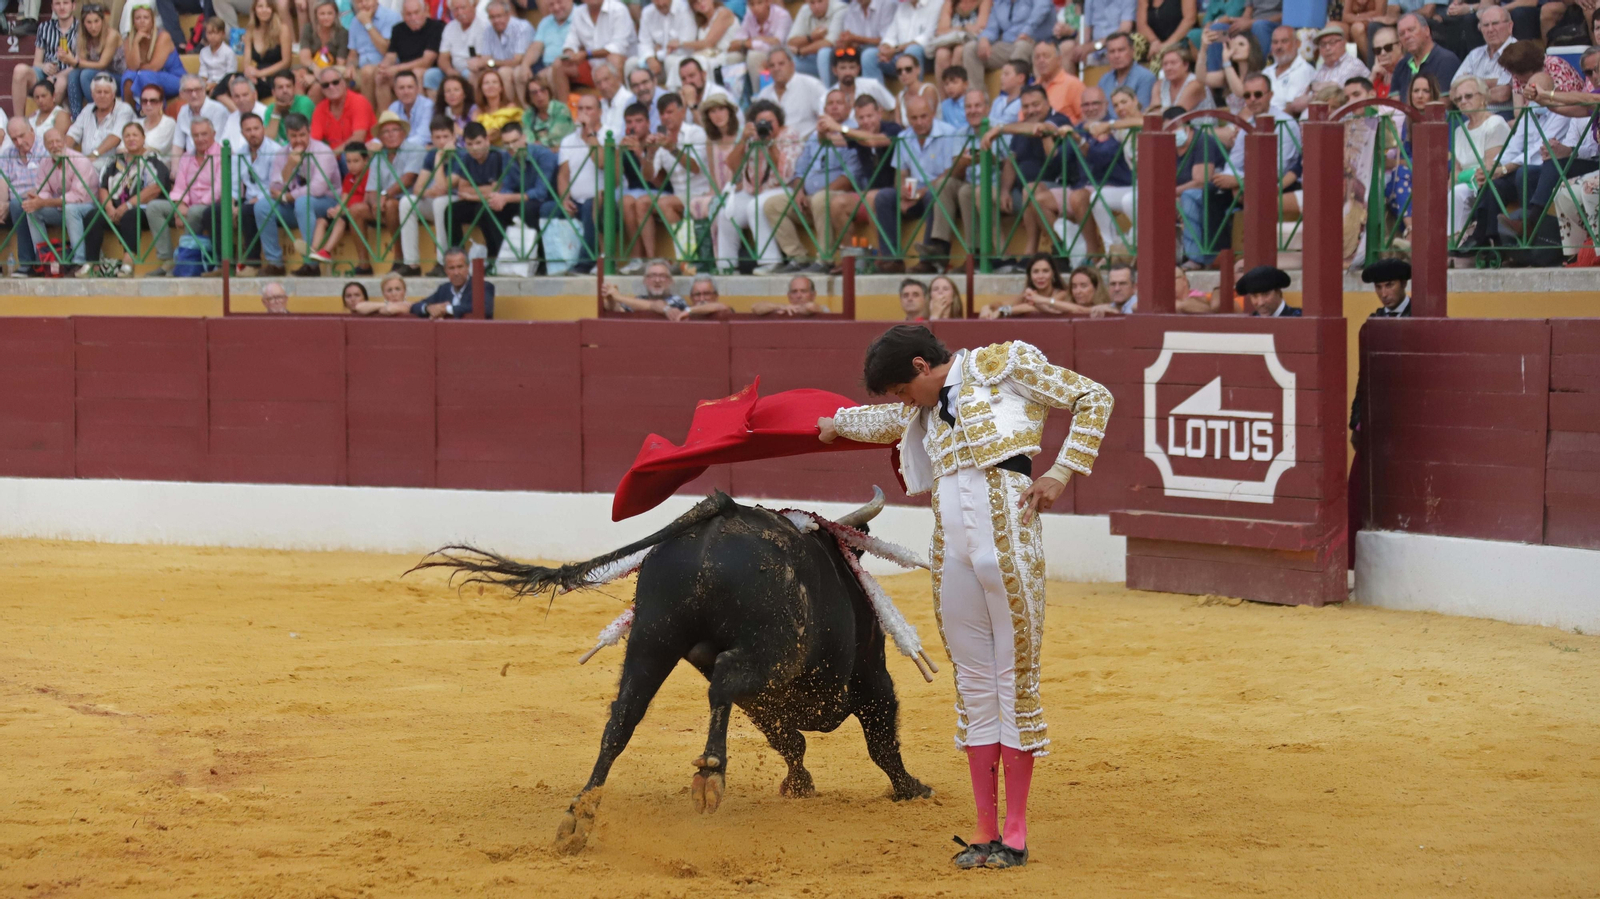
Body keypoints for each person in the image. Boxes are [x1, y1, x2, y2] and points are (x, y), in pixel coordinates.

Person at [817, 325, 1113, 871]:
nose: (905, 403)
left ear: (920, 365)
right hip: (953, 554)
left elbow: (1094, 396)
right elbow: (883, 419)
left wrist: (1062, 472)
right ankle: (983, 829)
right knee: (975, 685)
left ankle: (1016, 832)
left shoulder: (1006, 365)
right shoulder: (922, 411)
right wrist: (834, 424)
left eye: (905, 389)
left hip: (1011, 549)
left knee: (1013, 683)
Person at [715, 98, 802, 274]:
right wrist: (743, 140)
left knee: (757, 206)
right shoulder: (750, 136)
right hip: (752, 190)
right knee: (725, 213)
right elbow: (732, 165)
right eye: (761, 122)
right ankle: (727, 266)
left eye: (770, 122)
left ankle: (770, 262)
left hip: (781, 189)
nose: (766, 126)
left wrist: (770, 144)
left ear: (779, 121)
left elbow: (785, 173)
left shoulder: (788, 135)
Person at [82, 120, 176, 276]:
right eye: (127, 136)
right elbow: (103, 186)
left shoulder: (153, 160)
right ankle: (93, 264)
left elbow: (155, 188)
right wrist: (109, 207)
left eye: (135, 135)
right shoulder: (115, 161)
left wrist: (127, 205)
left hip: (142, 211)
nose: (131, 139)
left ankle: (128, 263)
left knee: (131, 215)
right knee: (92, 216)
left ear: (143, 138)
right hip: (115, 209)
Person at [875, 93, 958, 269]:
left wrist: (921, 192)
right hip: (914, 194)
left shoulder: (948, 133)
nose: (919, 122)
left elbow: (949, 173)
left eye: (923, 116)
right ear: (908, 118)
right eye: (914, 118)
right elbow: (901, 173)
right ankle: (892, 258)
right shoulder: (904, 137)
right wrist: (903, 191)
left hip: (932, 192)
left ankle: (927, 261)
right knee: (884, 197)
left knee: (934, 196)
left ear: (932, 113)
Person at [254, 112, 339, 276]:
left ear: (309, 131)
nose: (298, 140)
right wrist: (289, 166)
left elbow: (318, 188)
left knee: (303, 202)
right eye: (294, 136)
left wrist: (287, 196)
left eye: (302, 135)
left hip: (326, 203)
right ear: (287, 135)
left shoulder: (323, 151)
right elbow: (275, 186)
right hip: (295, 206)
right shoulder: (282, 153)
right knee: (262, 206)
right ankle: (275, 263)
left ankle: (311, 264)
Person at [640, 91, 709, 265]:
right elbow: (648, 176)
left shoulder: (696, 133)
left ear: (682, 111)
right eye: (662, 113)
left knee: (665, 204)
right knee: (641, 203)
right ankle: (652, 261)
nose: (665, 117)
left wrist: (672, 149)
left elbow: (695, 168)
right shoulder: (661, 138)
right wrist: (650, 153)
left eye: (670, 112)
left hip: (702, 193)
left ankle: (685, 259)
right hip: (679, 195)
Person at [22, 127, 97, 275]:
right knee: (32, 211)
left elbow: (77, 197)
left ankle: (78, 260)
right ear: (45, 145)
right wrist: (37, 200)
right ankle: (42, 259)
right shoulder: (45, 163)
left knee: (70, 209)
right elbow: (43, 189)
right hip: (60, 207)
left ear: (65, 142)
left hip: (87, 207)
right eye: (50, 143)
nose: (55, 145)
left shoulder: (80, 160)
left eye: (58, 141)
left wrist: (44, 202)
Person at [1446, 74, 1508, 240]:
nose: (1463, 101)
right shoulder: (1459, 130)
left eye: (1468, 96)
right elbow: (1453, 175)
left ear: (1483, 97)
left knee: (1457, 192)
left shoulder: (1495, 123)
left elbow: (1489, 167)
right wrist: (1466, 176)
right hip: (1469, 184)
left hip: (1490, 185)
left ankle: (1457, 243)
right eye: (1458, 99)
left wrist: (1463, 176)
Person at [364, 109, 425, 276]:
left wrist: (384, 196)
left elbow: (408, 179)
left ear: (403, 133)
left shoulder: (415, 149)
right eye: (385, 132)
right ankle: (364, 264)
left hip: (409, 201)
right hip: (385, 201)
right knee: (355, 211)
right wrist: (375, 202)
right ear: (381, 137)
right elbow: (370, 189)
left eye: (394, 130)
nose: (390, 135)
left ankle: (399, 258)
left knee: (392, 205)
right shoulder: (379, 155)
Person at [554, 93, 606, 273]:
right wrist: (564, 199)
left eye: (589, 109)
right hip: (576, 200)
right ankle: (553, 264)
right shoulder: (568, 140)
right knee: (546, 209)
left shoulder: (608, 135)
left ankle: (586, 262)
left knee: (590, 206)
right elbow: (563, 175)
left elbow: (601, 163)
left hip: (603, 200)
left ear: (599, 112)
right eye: (580, 108)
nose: (583, 113)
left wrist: (591, 133)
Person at [304, 140, 373, 273]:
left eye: (356, 161)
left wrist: (343, 212)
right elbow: (344, 200)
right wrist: (336, 209)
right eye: (348, 161)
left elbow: (365, 202)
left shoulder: (369, 176)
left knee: (340, 221)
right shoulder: (348, 178)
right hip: (345, 212)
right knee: (321, 220)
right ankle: (314, 249)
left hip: (355, 214)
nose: (351, 165)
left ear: (366, 160)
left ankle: (327, 251)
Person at [170, 115, 226, 268]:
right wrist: (180, 205)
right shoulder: (187, 156)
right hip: (188, 204)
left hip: (211, 204)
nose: (200, 139)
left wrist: (195, 206)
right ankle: (166, 258)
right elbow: (180, 185)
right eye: (196, 135)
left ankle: (185, 258)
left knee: (194, 212)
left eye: (204, 134)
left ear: (214, 134)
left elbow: (219, 187)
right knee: (155, 208)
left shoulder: (223, 154)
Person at [230, 112, 282, 275]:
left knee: (247, 211)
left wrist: (252, 201)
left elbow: (275, 185)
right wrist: (231, 203)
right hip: (248, 197)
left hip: (272, 198)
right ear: (242, 133)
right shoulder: (240, 152)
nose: (253, 133)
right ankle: (222, 263)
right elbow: (234, 183)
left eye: (256, 128)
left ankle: (253, 262)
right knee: (217, 210)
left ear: (263, 129)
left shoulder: (275, 150)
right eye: (248, 130)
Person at [557, 0, 637, 102]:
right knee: (559, 64)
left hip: (621, 64)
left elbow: (618, 47)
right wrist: (569, 53)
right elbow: (571, 41)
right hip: (592, 66)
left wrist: (587, 54)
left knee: (614, 59)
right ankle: (564, 113)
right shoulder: (578, 12)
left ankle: (618, 106)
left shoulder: (618, 9)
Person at [0, 119, 52, 277]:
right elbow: (3, 180)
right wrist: (2, 203)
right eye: (14, 138)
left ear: (31, 130)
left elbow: (44, 184)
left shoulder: (44, 151)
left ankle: (28, 262)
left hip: (40, 198)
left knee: (18, 205)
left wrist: (9, 203)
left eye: (22, 136)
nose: (19, 142)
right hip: (12, 200)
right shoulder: (8, 154)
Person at [12, 0, 76, 120]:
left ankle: (45, 120)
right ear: (52, 7)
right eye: (57, 4)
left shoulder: (81, 28)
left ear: (73, 5)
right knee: (19, 70)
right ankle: (19, 120)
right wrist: (44, 66)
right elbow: (36, 62)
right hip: (46, 72)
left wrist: (56, 77)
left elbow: (79, 63)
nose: (62, 7)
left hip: (68, 72)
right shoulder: (44, 27)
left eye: (65, 3)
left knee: (61, 82)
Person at [377, 0, 445, 107]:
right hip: (404, 69)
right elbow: (391, 55)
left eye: (416, 13)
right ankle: (386, 118)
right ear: (403, 15)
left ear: (425, 11)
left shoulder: (436, 27)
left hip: (427, 69)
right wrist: (384, 66)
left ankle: (419, 114)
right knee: (381, 76)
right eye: (409, 14)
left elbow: (426, 61)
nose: (413, 18)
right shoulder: (398, 29)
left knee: (417, 73)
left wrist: (397, 68)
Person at [963, 0, 1051, 82]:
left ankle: (1014, 92)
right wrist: (984, 38)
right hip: (1008, 45)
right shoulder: (999, 2)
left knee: (1022, 46)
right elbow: (992, 29)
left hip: (1033, 42)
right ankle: (975, 94)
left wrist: (1026, 31)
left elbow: (1043, 8)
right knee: (971, 48)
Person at [1292, 22, 1368, 115]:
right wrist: (1318, 95)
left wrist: (1314, 91)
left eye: (1332, 42)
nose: (1327, 48)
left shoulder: (1353, 64)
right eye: (1323, 45)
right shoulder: (1320, 70)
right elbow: (1296, 105)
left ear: (1343, 43)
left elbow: (1335, 92)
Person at [470, 0, 539, 101]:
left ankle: (509, 109)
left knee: (504, 72)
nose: (496, 20)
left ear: (508, 14)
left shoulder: (522, 27)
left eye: (499, 16)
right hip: (500, 68)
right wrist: (479, 63)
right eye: (492, 17)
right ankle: (482, 109)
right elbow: (485, 58)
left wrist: (491, 62)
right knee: (474, 74)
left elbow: (517, 60)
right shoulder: (489, 31)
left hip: (524, 67)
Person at [64, 2, 121, 119]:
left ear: (102, 21)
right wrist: (68, 59)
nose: (93, 26)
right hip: (96, 75)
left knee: (86, 74)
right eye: (89, 22)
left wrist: (75, 62)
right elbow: (81, 63)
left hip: (117, 77)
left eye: (96, 21)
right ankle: (77, 117)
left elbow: (102, 64)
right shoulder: (82, 37)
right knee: (73, 74)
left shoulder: (112, 35)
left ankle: (97, 111)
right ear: (83, 23)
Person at [67, 74, 134, 172]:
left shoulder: (124, 109)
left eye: (106, 92)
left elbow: (116, 136)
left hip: (112, 165)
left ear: (113, 94)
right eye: (98, 92)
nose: (102, 96)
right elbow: (73, 133)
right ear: (92, 94)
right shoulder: (87, 109)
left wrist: (95, 154)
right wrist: (62, 152)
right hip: (87, 164)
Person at [121, 2, 186, 104]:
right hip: (146, 75)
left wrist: (138, 70)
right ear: (133, 22)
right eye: (138, 18)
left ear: (152, 21)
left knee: (145, 75)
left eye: (146, 18)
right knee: (128, 76)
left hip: (175, 78)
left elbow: (154, 67)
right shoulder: (129, 40)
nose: (142, 21)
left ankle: (157, 113)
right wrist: (136, 43)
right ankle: (131, 113)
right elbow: (132, 67)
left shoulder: (163, 36)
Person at [1452, 4, 1515, 106]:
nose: (1490, 30)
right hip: (1470, 116)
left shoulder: (1519, 51)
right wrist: (1494, 82)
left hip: (1502, 116)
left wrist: (1469, 84)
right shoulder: (1475, 54)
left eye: (1495, 23)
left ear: (1510, 26)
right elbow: (1454, 88)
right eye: (1485, 25)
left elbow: (1502, 94)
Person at [1391, 11, 1461, 102]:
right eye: (1402, 34)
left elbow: (1443, 104)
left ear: (1427, 31)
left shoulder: (1446, 60)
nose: (1407, 36)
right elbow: (1394, 105)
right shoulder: (1401, 65)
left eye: (1411, 30)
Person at [755, 47, 825, 139]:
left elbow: (825, 118)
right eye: (772, 65)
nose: (776, 69)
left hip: (805, 146)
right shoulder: (764, 94)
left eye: (781, 64)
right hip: (772, 148)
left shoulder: (811, 85)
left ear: (792, 64)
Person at [411, 245, 496, 317]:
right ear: (445, 270)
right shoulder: (443, 289)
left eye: (460, 267)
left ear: (467, 267)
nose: (456, 272)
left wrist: (448, 309)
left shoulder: (483, 287)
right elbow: (415, 306)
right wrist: (428, 308)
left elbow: (484, 308)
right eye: (451, 268)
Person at [348, 0, 402, 109]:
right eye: (359, 2)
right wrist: (350, 65)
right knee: (337, 75)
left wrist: (368, 24)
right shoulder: (355, 21)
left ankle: (372, 117)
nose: (364, 4)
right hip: (362, 67)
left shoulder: (391, 17)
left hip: (386, 65)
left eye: (367, 0)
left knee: (368, 72)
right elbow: (353, 54)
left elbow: (386, 50)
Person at [978, 252, 1068, 316]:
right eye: (1036, 272)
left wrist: (1004, 311)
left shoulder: (1062, 293)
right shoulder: (1027, 295)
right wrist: (987, 307)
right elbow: (1003, 304)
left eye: (1045, 271)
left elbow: (1050, 309)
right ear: (1030, 275)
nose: (1040, 276)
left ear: (1053, 273)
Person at [310, 63, 376, 149]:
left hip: (361, 156)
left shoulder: (359, 101)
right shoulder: (320, 108)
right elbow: (314, 141)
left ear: (344, 83)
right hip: (335, 158)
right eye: (326, 85)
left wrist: (331, 156)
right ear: (322, 90)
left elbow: (358, 139)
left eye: (335, 82)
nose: (331, 87)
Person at [634, 0, 695, 88]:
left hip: (679, 59)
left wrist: (658, 54)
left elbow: (685, 46)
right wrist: (650, 58)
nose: (661, 4)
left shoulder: (684, 9)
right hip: (657, 60)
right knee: (631, 64)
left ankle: (674, 97)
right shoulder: (647, 12)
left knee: (670, 60)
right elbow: (644, 42)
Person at [171, 74, 230, 163]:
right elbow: (178, 144)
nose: (194, 95)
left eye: (197, 90)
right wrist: (175, 169)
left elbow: (217, 146)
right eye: (189, 91)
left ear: (204, 90)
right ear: (182, 94)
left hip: (215, 163)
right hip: (189, 164)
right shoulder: (183, 111)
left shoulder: (218, 110)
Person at [243, 0, 294, 100]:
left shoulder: (283, 29)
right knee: (231, 80)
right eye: (260, 7)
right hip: (257, 73)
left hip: (277, 73)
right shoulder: (250, 30)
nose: (264, 10)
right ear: (255, 10)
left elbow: (286, 62)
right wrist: (250, 74)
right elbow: (246, 61)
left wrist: (260, 73)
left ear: (273, 10)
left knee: (250, 88)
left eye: (268, 7)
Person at [743, 0, 795, 93]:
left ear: (767, 2)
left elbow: (778, 42)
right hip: (763, 51)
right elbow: (735, 42)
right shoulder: (749, 17)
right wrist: (748, 42)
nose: (755, 8)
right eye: (752, 5)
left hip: (784, 52)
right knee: (733, 57)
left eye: (759, 3)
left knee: (754, 56)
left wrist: (755, 41)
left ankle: (758, 94)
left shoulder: (782, 15)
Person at [1095, 31, 1156, 107]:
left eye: (1121, 50)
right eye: (1112, 51)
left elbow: (1142, 112)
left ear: (1132, 51)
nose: (1116, 56)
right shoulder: (1104, 80)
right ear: (1107, 55)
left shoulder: (1146, 77)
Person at [790, 0, 844, 84]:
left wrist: (800, 51)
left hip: (836, 59)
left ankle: (827, 90)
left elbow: (829, 43)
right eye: (812, 3)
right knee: (791, 62)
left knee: (824, 53)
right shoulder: (805, 9)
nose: (816, 7)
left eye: (820, 1)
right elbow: (791, 42)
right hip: (812, 57)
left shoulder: (840, 9)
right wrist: (811, 37)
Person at [1031, 37, 1084, 122]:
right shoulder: (1032, 88)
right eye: (1037, 57)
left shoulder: (1073, 84)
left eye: (1046, 56)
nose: (1041, 60)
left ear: (1059, 59)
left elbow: (1084, 119)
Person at [1261, 24, 1312, 111]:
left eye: (1284, 41)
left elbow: (1290, 109)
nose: (1279, 47)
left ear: (1297, 44)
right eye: (1275, 42)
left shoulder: (1304, 71)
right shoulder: (1266, 71)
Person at [935, 0, 989, 83]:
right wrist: (963, 28)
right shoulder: (950, 3)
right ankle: (943, 95)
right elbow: (941, 30)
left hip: (973, 41)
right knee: (941, 54)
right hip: (951, 42)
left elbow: (980, 28)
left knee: (959, 51)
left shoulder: (984, 2)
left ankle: (958, 92)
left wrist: (954, 29)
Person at [1148, 42, 1209, 113]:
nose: (1168, 68)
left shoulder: (1195, 84)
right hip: (1170, 123)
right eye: (1165, 64)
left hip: (1201, 124)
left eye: (1173, 63)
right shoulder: (1159, 85)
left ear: (1185, 65)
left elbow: (1176, 115)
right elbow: (1153, 116)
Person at [1073, 0, 1135, 67]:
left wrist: (1094, 46)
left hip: (1117, 50)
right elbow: (1086, 31)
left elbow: (1124, 31)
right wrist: (1080, 49)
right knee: (1069, 54)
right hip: (1094, 52)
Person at [438, 0, 488, 81]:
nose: (460, 12)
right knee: (431, 75)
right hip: (453, 70)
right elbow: (443, 57)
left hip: (474, 70)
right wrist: (449, 71)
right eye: (456, 9)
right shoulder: (449, 27)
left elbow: (480, 58)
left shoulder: (483, 26)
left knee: (467, 74)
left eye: (463, 7)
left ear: (473, 7)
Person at [531, 0, 577, 86]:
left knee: (549, 74)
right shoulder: (546, 22)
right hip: (546, 65)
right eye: (551, 4)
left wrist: (554, 68)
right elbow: (535, 47)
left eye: (559, 2)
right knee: (520, 74)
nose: (556, 7)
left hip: (573, 64)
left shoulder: (579, 16)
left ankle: (557, 100)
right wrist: (525, 66)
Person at [473, 68, 524, 144]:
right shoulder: (477, 112)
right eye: (486, 83)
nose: (491, 86)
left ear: (501, 88)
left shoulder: (511, 109)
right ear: (481, 89)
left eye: (495, 82)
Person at [263, 71, 317, 143]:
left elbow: (299, 135)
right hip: (283, 150)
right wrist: (276, 112)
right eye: (280, 87)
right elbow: (269, 140)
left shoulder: (304, 103)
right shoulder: (271, 109)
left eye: (288, 86)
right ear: (273, 92)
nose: (285, 90)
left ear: (294, 89)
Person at [524, 76, 575, 148]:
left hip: (565, 151)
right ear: (529, 97)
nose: (539, 95)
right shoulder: (528, 114)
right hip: (538, 154)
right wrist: (534, 145)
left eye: (543, 90)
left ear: (549, 92)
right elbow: (527, 138)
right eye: (534, 93)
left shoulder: (561, 109)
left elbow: (555, 137)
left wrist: (538, 144)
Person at [219, 74, 267, 147]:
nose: (241, 100)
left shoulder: (266, 113)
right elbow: (222, 144)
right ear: (232, 98)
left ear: (254, 94)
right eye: (237, 96)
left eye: (245, 95)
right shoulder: (232, 118)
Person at [197, 16, 238, 102]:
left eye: (216, 33)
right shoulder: (203, 52)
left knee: (214, 92)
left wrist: (214, 85)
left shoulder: (228, 52)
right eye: (209, 33)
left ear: (223, 34)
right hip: (208, 85)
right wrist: (203, 84)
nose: (212, 36)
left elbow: (230, 75)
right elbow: (203, 74)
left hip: (224, 85)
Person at [751, 272, 833, 313]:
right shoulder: (785, 309)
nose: (799, 295)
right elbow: (755, 307)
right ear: (789, 296)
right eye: (794, 292)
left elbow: (810, 307)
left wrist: (794, 309)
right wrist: (782, 306)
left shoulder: (823, 309)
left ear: (813, 295)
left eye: (803, 291)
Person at [28, 80, 73, 150]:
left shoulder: (61, 115)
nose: (40, 100)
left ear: (53, 96)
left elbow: (56, 142)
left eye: (43, 96)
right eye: (37, 97)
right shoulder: (33, 116)